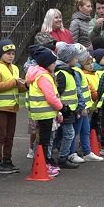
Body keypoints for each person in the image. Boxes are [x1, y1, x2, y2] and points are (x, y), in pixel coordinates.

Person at [0, 39, 26, 173]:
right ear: (1, 53)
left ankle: (7, 160)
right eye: (7, 53)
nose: (11, 56)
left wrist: (24, 86)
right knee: (1, 135)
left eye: (13, 53)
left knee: (10, 135)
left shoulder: (15, 68)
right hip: (1, 107)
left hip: (12, 106)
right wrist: (14, 82)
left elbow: (16, 87)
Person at [25, 46, 63, 177]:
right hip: (45, 113)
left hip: (40, 113)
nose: (55, 65)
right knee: (45, 141)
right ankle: (44, 164)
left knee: (43, 140)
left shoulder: (37, 75)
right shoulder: (44, 77)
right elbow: (51, 97)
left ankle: (44, 163)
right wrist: (61, 107)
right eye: (53, 63)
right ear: (47, 64)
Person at [71, 43, 103, 162]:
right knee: (75, 131)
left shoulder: (78, 70)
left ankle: (87, 151)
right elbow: (78, 90)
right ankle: (72, 152)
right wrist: (82, 106)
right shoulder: (76, 71)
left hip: (85, 105)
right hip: (80, 106)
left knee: (85, 129)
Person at [54, 42, 80, 168]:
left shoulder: (67, 72)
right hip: (65, 111)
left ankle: (59, 155)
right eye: (75, 57)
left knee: (61, 134)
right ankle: (62, 157)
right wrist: (63, 108)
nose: (77, 59)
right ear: (69, 59)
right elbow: (57, 93)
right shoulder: (62, 73)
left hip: (69, 110)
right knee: (69, 134)